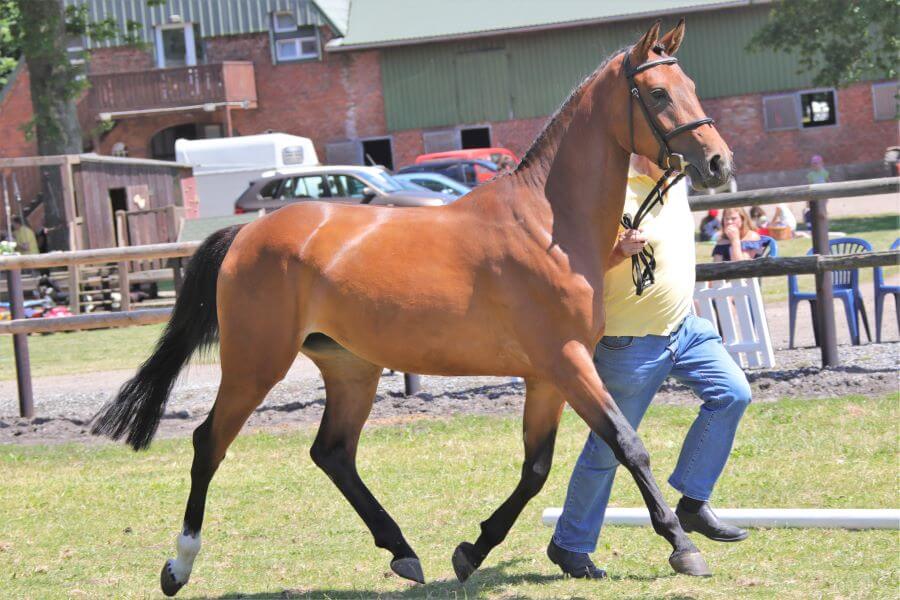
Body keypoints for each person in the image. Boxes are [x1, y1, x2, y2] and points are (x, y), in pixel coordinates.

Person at [547, 154, 751, 579]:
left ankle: (692, 503)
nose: (674, 158)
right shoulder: (606, 190)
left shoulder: (677, 184)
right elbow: (573, 264)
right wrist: (619, 251)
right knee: (607, 448)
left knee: (733, 392)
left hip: (686, 328)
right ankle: (570, 545)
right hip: (630, 342)